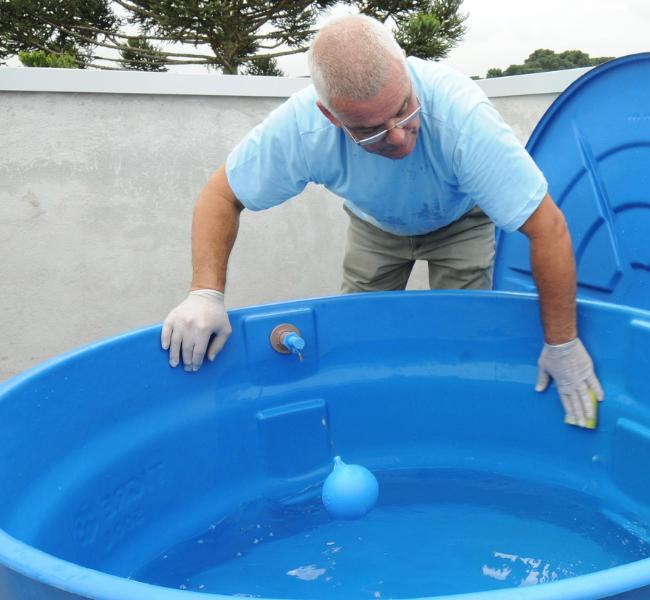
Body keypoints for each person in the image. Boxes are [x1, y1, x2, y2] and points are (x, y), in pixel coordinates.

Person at [161, 14, 604, 428]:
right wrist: (205, 293)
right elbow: (221, 194)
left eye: (405, 110)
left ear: (407, 73)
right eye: (370, 130)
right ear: (331, 117)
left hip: (461, 219)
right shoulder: (301, 131)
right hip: (375, 226)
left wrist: (562, 344)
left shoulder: (460, 115)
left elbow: (548, 227)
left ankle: (457, 419)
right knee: (358, 331)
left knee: (463, 330)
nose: (397, 137)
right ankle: (373, 422)